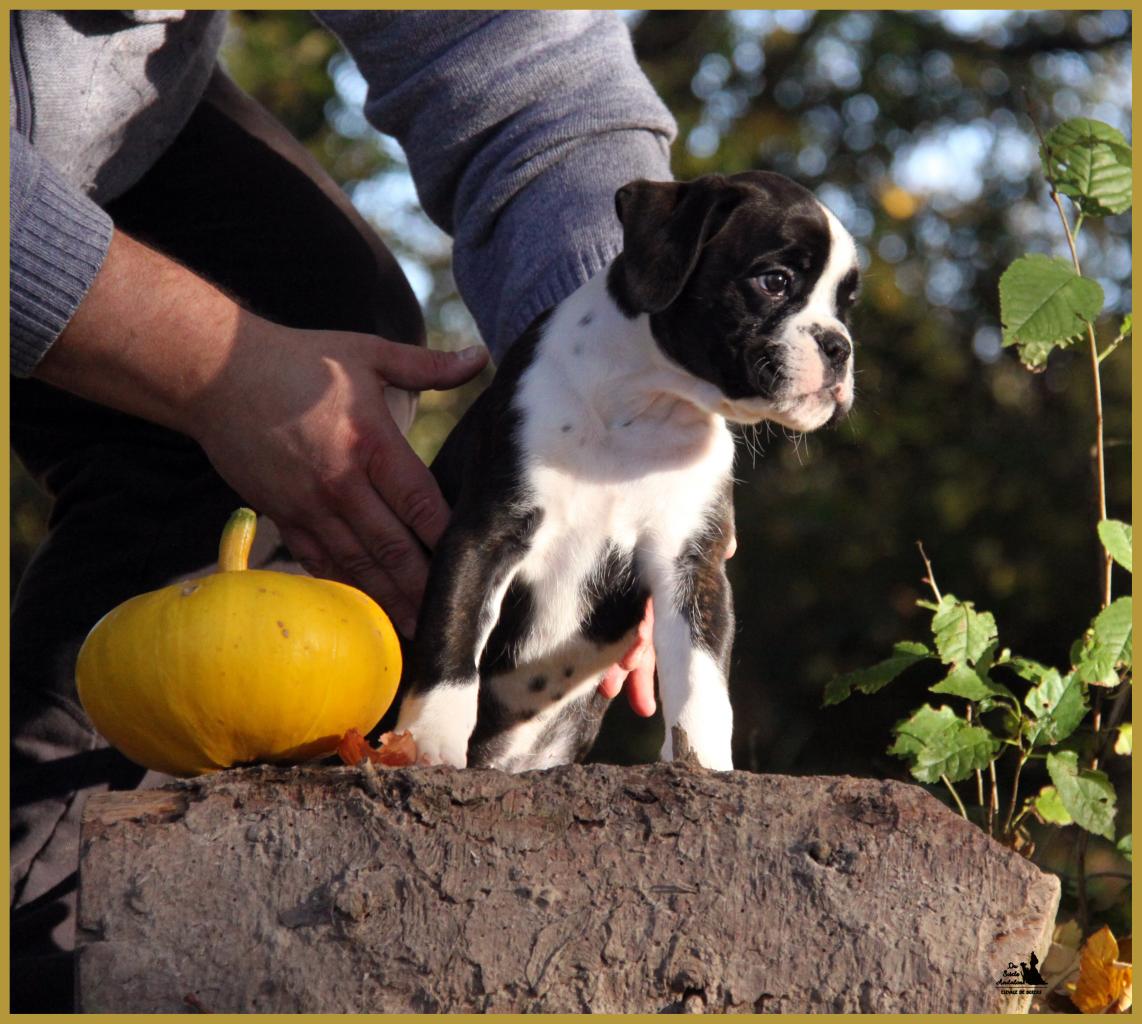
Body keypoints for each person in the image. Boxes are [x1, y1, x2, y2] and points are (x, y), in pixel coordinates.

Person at [10, 10, 674, 1010]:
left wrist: (624, 387)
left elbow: (524, 73)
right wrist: (208, 368)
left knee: (315, 299)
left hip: (98, 124)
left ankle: (97, 910)